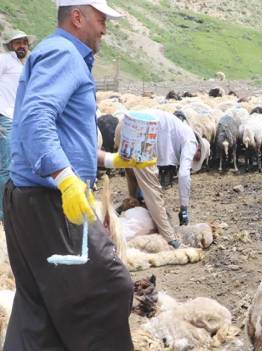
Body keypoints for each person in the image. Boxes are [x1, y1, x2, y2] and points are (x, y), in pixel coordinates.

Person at [4, 2, 154, 349]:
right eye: (101, 19)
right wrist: (66, 179)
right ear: (78, 17)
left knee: (38, 308)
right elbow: (36, 120)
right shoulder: (63, 54)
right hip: (51, 204)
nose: (105, 28)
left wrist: (115, 160)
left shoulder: (56, 53)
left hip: (31, 200)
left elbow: (63, 135)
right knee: (109, 290)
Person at [144, 109, 209, 228]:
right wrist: (184, 208)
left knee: (137, 171)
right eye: (198, 157)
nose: (195, 160)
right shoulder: (191, 142)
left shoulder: (184, 133)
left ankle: (139, 206)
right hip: (150, 126)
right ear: (199, 148)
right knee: (145, 179)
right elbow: (184, 175)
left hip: (146, 122)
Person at [0, 29, 33, 220]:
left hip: (19, 120)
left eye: (24, 42)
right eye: (17, 43)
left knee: (16, 164)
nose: (21, 46)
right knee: (6, 166)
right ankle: (4, 214)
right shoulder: (5, 60)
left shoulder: (26, 65)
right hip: (4, 117)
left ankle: (11, 208)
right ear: (11, 46)